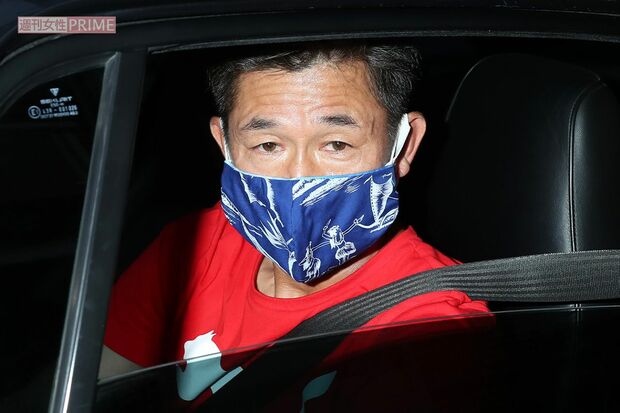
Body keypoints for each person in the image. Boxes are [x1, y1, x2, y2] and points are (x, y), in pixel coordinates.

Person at [99, 42, 489, 400]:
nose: (299, 178)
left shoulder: (429, 331)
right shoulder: (194, 244)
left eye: (336, 144)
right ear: (225, 144)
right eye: (268, 145)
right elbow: (97, 386)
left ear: (404, 147)